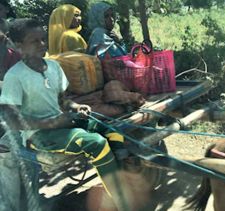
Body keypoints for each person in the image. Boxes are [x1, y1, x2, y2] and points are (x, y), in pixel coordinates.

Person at [0, 18, 129, 210]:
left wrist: (76, 107)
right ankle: (123, 203)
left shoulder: (53, 67)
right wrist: (53, 123)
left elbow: (63, 100)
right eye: (35, 41)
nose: (42, 44)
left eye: (43, 39)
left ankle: (124, 179)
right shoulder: (14, 76)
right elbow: (12, 120)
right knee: (96, 142)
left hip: (62, 124)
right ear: (19, 46)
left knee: (112, 131)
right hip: (39, 135)